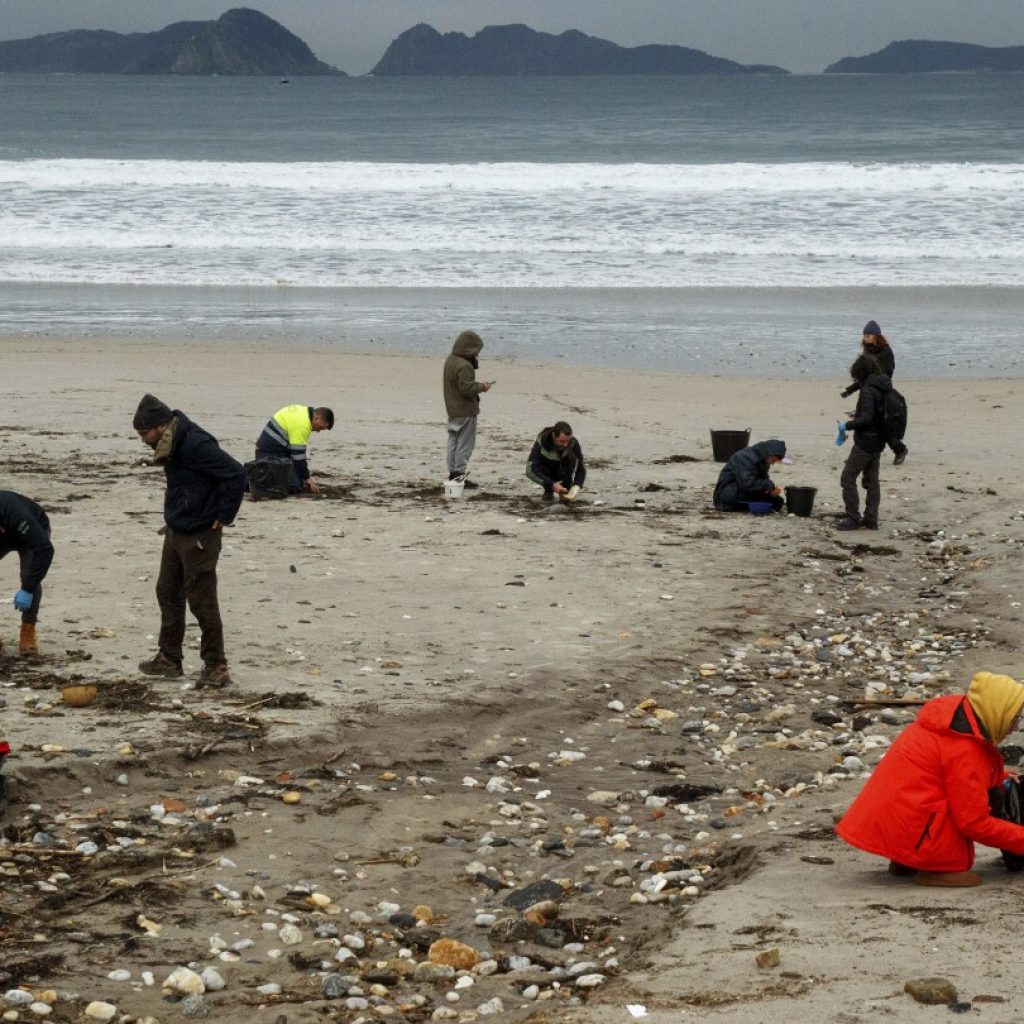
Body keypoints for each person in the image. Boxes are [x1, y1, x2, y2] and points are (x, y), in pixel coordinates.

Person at [837, 671, 1024, 887]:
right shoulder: (965, 747)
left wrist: (999, 777)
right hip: (915, 824)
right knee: (966, 825)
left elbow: (950, 775)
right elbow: (974, 823)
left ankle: (906, 858)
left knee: (969, 793)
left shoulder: (952, 722)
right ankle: (935, 866)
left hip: (894, 822)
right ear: (996, 712)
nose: (1016, 726)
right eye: (1014, 717)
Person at [133, 394, 246, 688]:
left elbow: (236, 473)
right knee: (167, 592)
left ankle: (216, 665)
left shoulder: (195, 444)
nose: (143, 440)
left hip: (200, 533)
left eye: (144, 434)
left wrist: (224, 514)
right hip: (176, 529)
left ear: (160, 426)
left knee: (201, 599)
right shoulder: (171, 443)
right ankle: (169, 659)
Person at [841, 320, 907, 465]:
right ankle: (857, 456)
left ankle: (900, 450)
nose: (866, 338)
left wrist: (870, 384)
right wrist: (849, 390)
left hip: (882, 391)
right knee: (863, 425)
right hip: (867, 390)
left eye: (869, 335)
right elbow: (864, 375)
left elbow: (885, 374)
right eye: (864, 335)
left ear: (877, 336)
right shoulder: (867, 351)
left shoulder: (886, 353)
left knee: (883, 426)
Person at [836, 353, 889, 531]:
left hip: (866, 442)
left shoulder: (868, 390)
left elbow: (866, 418)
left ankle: (853, 518)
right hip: (880, 440)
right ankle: (871, 519)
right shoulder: (883, 386)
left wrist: (847, 425)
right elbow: (875, 414)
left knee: (847, 478)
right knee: (872, 482)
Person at [0, 490, 54, 656]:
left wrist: (27, 589)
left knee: (29, 574)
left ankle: (28, 629)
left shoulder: (14, 511)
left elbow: (45, 549)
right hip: (4, 535)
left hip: (31, 533)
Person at [443, 330, 493, 489]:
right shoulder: (465, 366)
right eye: (477, 351)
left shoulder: (451, 360)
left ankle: (453, 472)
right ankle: (459, 475)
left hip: (452, 408)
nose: (477, 354)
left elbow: (460, 386)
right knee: (465, 444)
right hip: (465, 410)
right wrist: (482, 387)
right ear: (469, 348)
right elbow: (466, 390)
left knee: (453, 440)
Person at [254, 405, 334, 495]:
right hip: (268, 454)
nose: (318, 431)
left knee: (300, 481)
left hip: (277, 450)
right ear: (317, 418)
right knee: (294, 487)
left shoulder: (303, 412)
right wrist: (307, 478)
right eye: (320, 428)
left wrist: (304, 477)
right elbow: (298, 456)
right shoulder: (302, 425)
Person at [713, 439, 787, 512]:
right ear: (769, 453)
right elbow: (747, 484)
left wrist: (771, 491)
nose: (773, 463)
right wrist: (769, 485)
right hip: (728, 496)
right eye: (773, 460)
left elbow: (762, 479)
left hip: (744, 491)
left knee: (778, 502)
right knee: (769, 504)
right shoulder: (744, 457)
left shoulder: (763, 459)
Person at [526, 421, 587, 499]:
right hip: (547, 473)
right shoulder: (542, 442)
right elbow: (530, 470)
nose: (565, 445)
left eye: (568, 441)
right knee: (540, 467)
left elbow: (581, 467)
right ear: (554, 436)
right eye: (562, 441)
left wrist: (577, 485)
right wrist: (551, 485)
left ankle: (566, 491)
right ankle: (548, 491)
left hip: (565, 471)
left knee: (571, 459)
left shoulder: (573, 443)